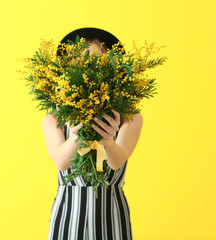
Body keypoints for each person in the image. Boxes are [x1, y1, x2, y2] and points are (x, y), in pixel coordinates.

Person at [43, 31, 143, 240]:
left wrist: (107, 140)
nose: (89, 69)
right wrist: (75, 135)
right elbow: (61, 162)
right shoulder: (54, 117)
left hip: (112, 212)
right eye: (80, 62)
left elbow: (117, 162)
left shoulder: (129, 116)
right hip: (68, 213)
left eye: (98, 62)